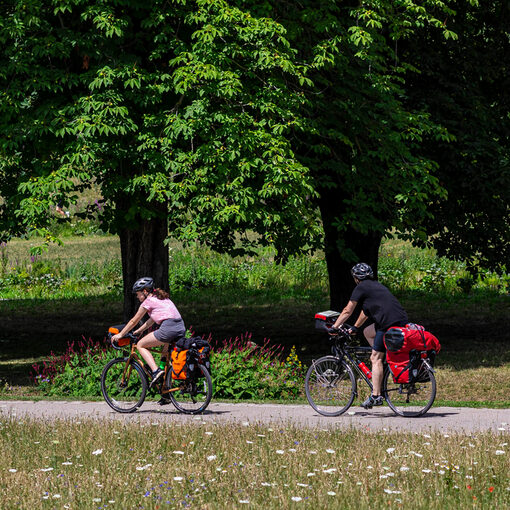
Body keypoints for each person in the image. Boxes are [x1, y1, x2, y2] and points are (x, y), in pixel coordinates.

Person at [332, 262, 408, 409]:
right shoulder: (376, 286)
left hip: (387, 323)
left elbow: (348, 310)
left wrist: (335, 326)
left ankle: (376, 396)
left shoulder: (360, 287)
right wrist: (355, 327)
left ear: (356, 278)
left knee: (375, 357)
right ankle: (383, 363)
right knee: (368, 332)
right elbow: (365, 312)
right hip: (399, 319)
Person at [111, 277, 185, 390]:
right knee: (165, 354)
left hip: (168, 328)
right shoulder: (161, 298)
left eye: (138, 293)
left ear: (145, 291)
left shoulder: (148, 301)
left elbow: (133, 321)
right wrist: (138, 331)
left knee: (140, 345)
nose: (137, 296)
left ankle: (156, 372)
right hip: (180, 327)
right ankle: (166, 390)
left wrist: (120, 335)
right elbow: (150, 321)